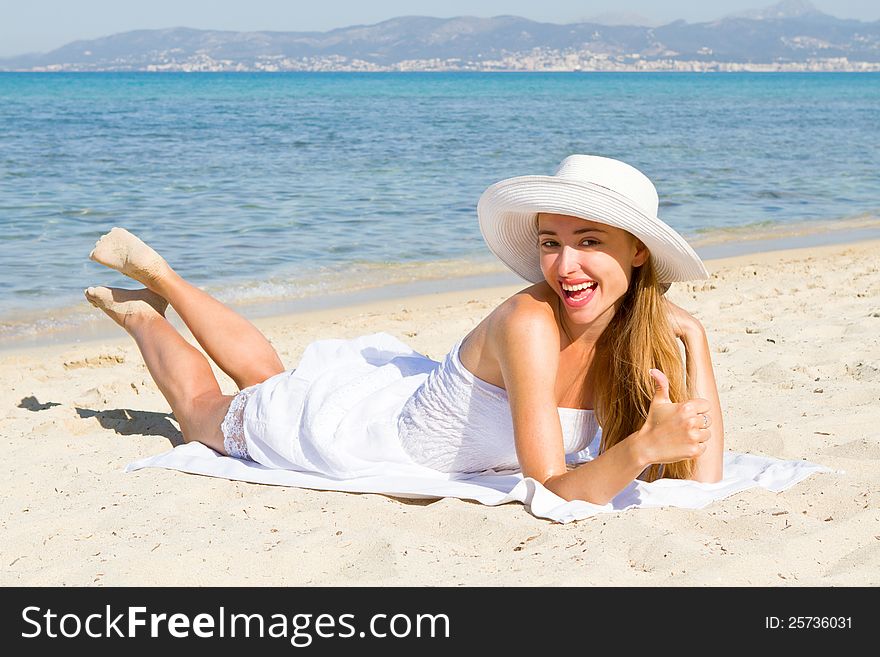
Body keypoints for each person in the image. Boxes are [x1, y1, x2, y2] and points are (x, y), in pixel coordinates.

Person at [85, 154, 723, 507]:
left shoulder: (641, 336)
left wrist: (694, 340)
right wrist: (638, 450)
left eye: (589, 242)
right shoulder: (529, 321)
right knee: (204, 414)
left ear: (638, 252)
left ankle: (164, 281)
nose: (563, 265)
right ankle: (147, 309)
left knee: (266, 379)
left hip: (408, 403)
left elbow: (702, 482)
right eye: (550, 242)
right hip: (368, 436)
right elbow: (553, 491)